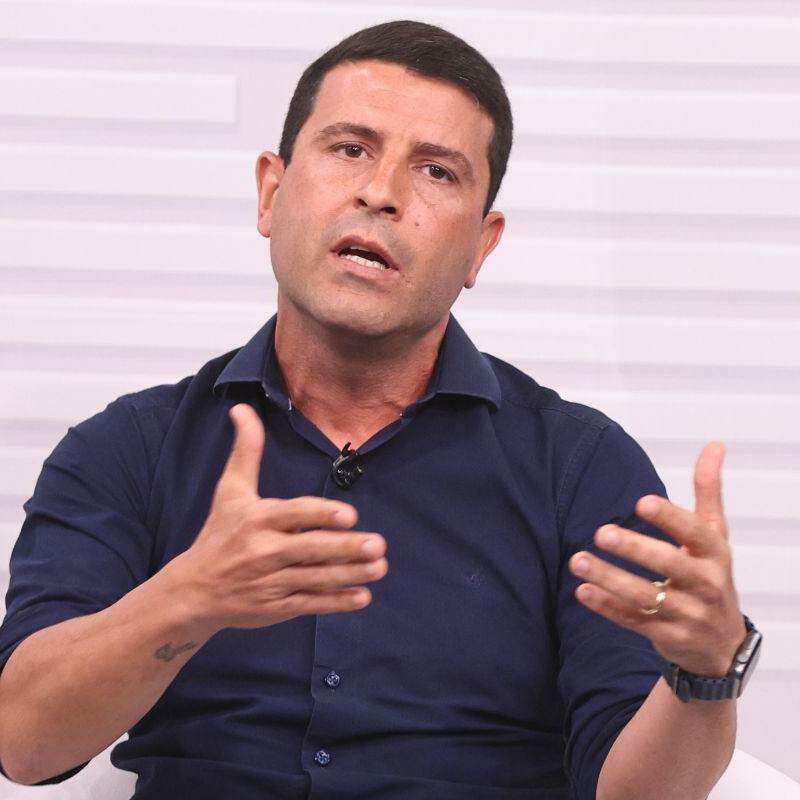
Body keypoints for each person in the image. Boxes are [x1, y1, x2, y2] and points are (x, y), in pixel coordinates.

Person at [0, 19, 759, 800]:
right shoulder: (130, 449)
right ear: (271, 192)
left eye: (436, 172)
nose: (382, 193)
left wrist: (705, 674)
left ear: (481, 246)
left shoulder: (580, 469)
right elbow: (23, 742)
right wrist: (191, 598)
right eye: (350, 149)